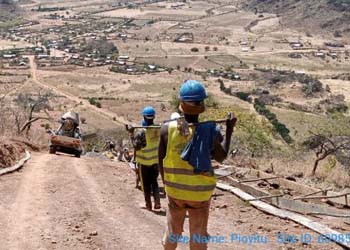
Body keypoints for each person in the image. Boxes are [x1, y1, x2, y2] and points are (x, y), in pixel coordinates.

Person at [159, 80, 237, 250]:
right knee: (198, 233)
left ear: (181, 104)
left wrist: (168, 186)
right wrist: (229, 131)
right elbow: (221, 157)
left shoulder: (167, 129)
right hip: (200, 194)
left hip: (175, 192)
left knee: (173, 231)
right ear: (202, 105)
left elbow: (161, 162)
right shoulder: (210, 130)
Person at [129, 106, 161, 211]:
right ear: (153, 117)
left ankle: (148, 205)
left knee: (146, 185)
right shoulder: (157, 129)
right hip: (155, 161)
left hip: (144, 163)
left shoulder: (141, 132)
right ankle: (157, 202)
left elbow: (136, 146)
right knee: (155, 182)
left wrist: (131, 134)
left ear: (144, 117)